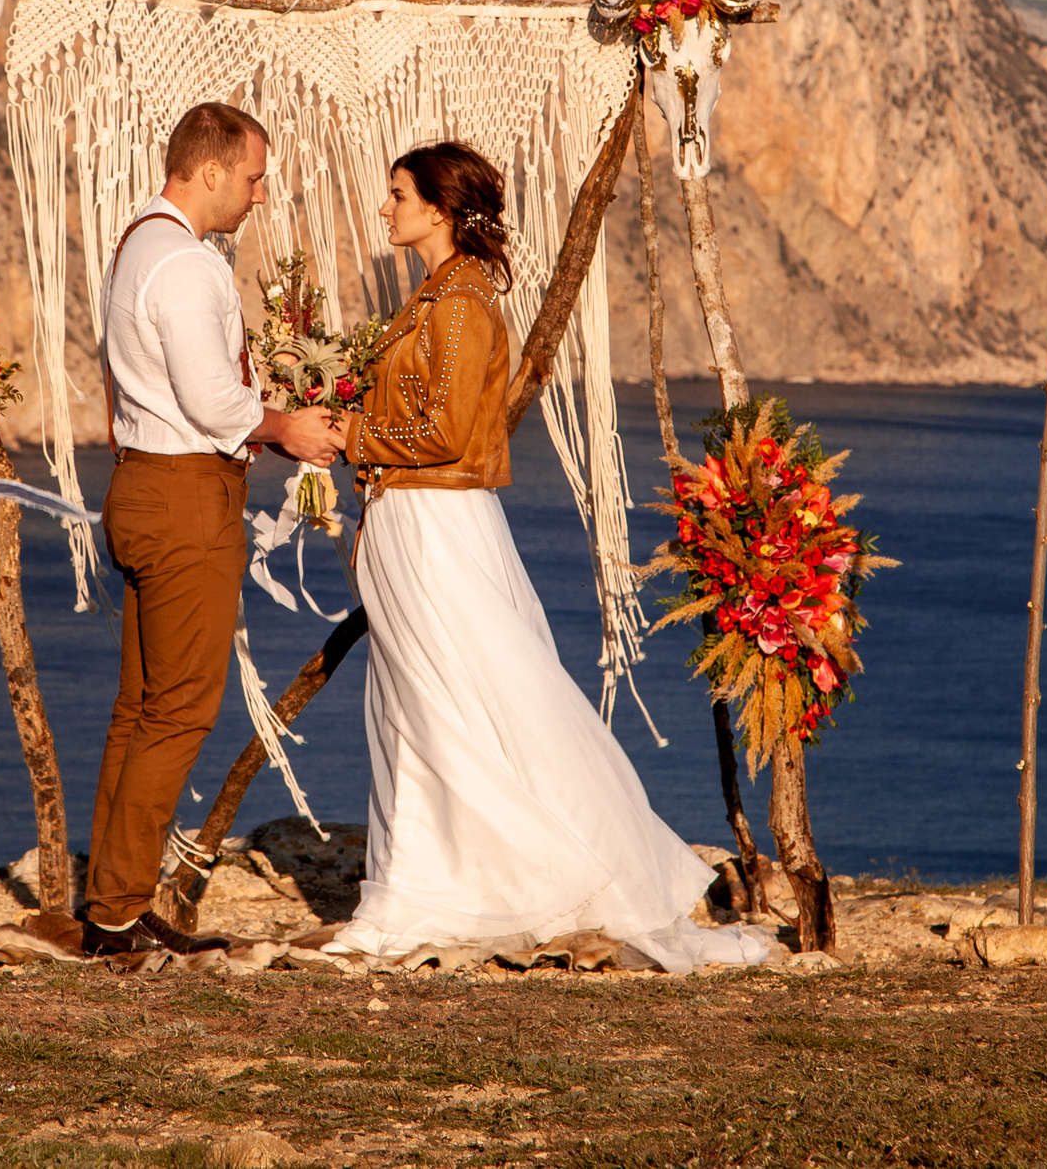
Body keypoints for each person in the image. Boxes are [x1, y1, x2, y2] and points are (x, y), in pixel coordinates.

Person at [324, 140, 771, 973]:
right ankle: (425, 880)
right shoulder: (435, 296)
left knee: (472, 696)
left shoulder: (459, 303)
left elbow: (450, 431)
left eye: (396, 193)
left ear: (439, 208)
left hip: (436, 523)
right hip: (412, 518)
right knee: (424, 705)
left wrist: (355, 433)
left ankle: (483, 879)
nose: (384, 207)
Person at [83, 101, 345, 957]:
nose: (260, 194)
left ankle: (110, 902)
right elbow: (212, 400)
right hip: (186, 497)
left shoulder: (136, 246)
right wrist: (288, 427)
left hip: (139, 485)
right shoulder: (188, 265)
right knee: (182, 712)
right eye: (254, 176)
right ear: (208, 171)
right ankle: (118, 911)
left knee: (139, 708)